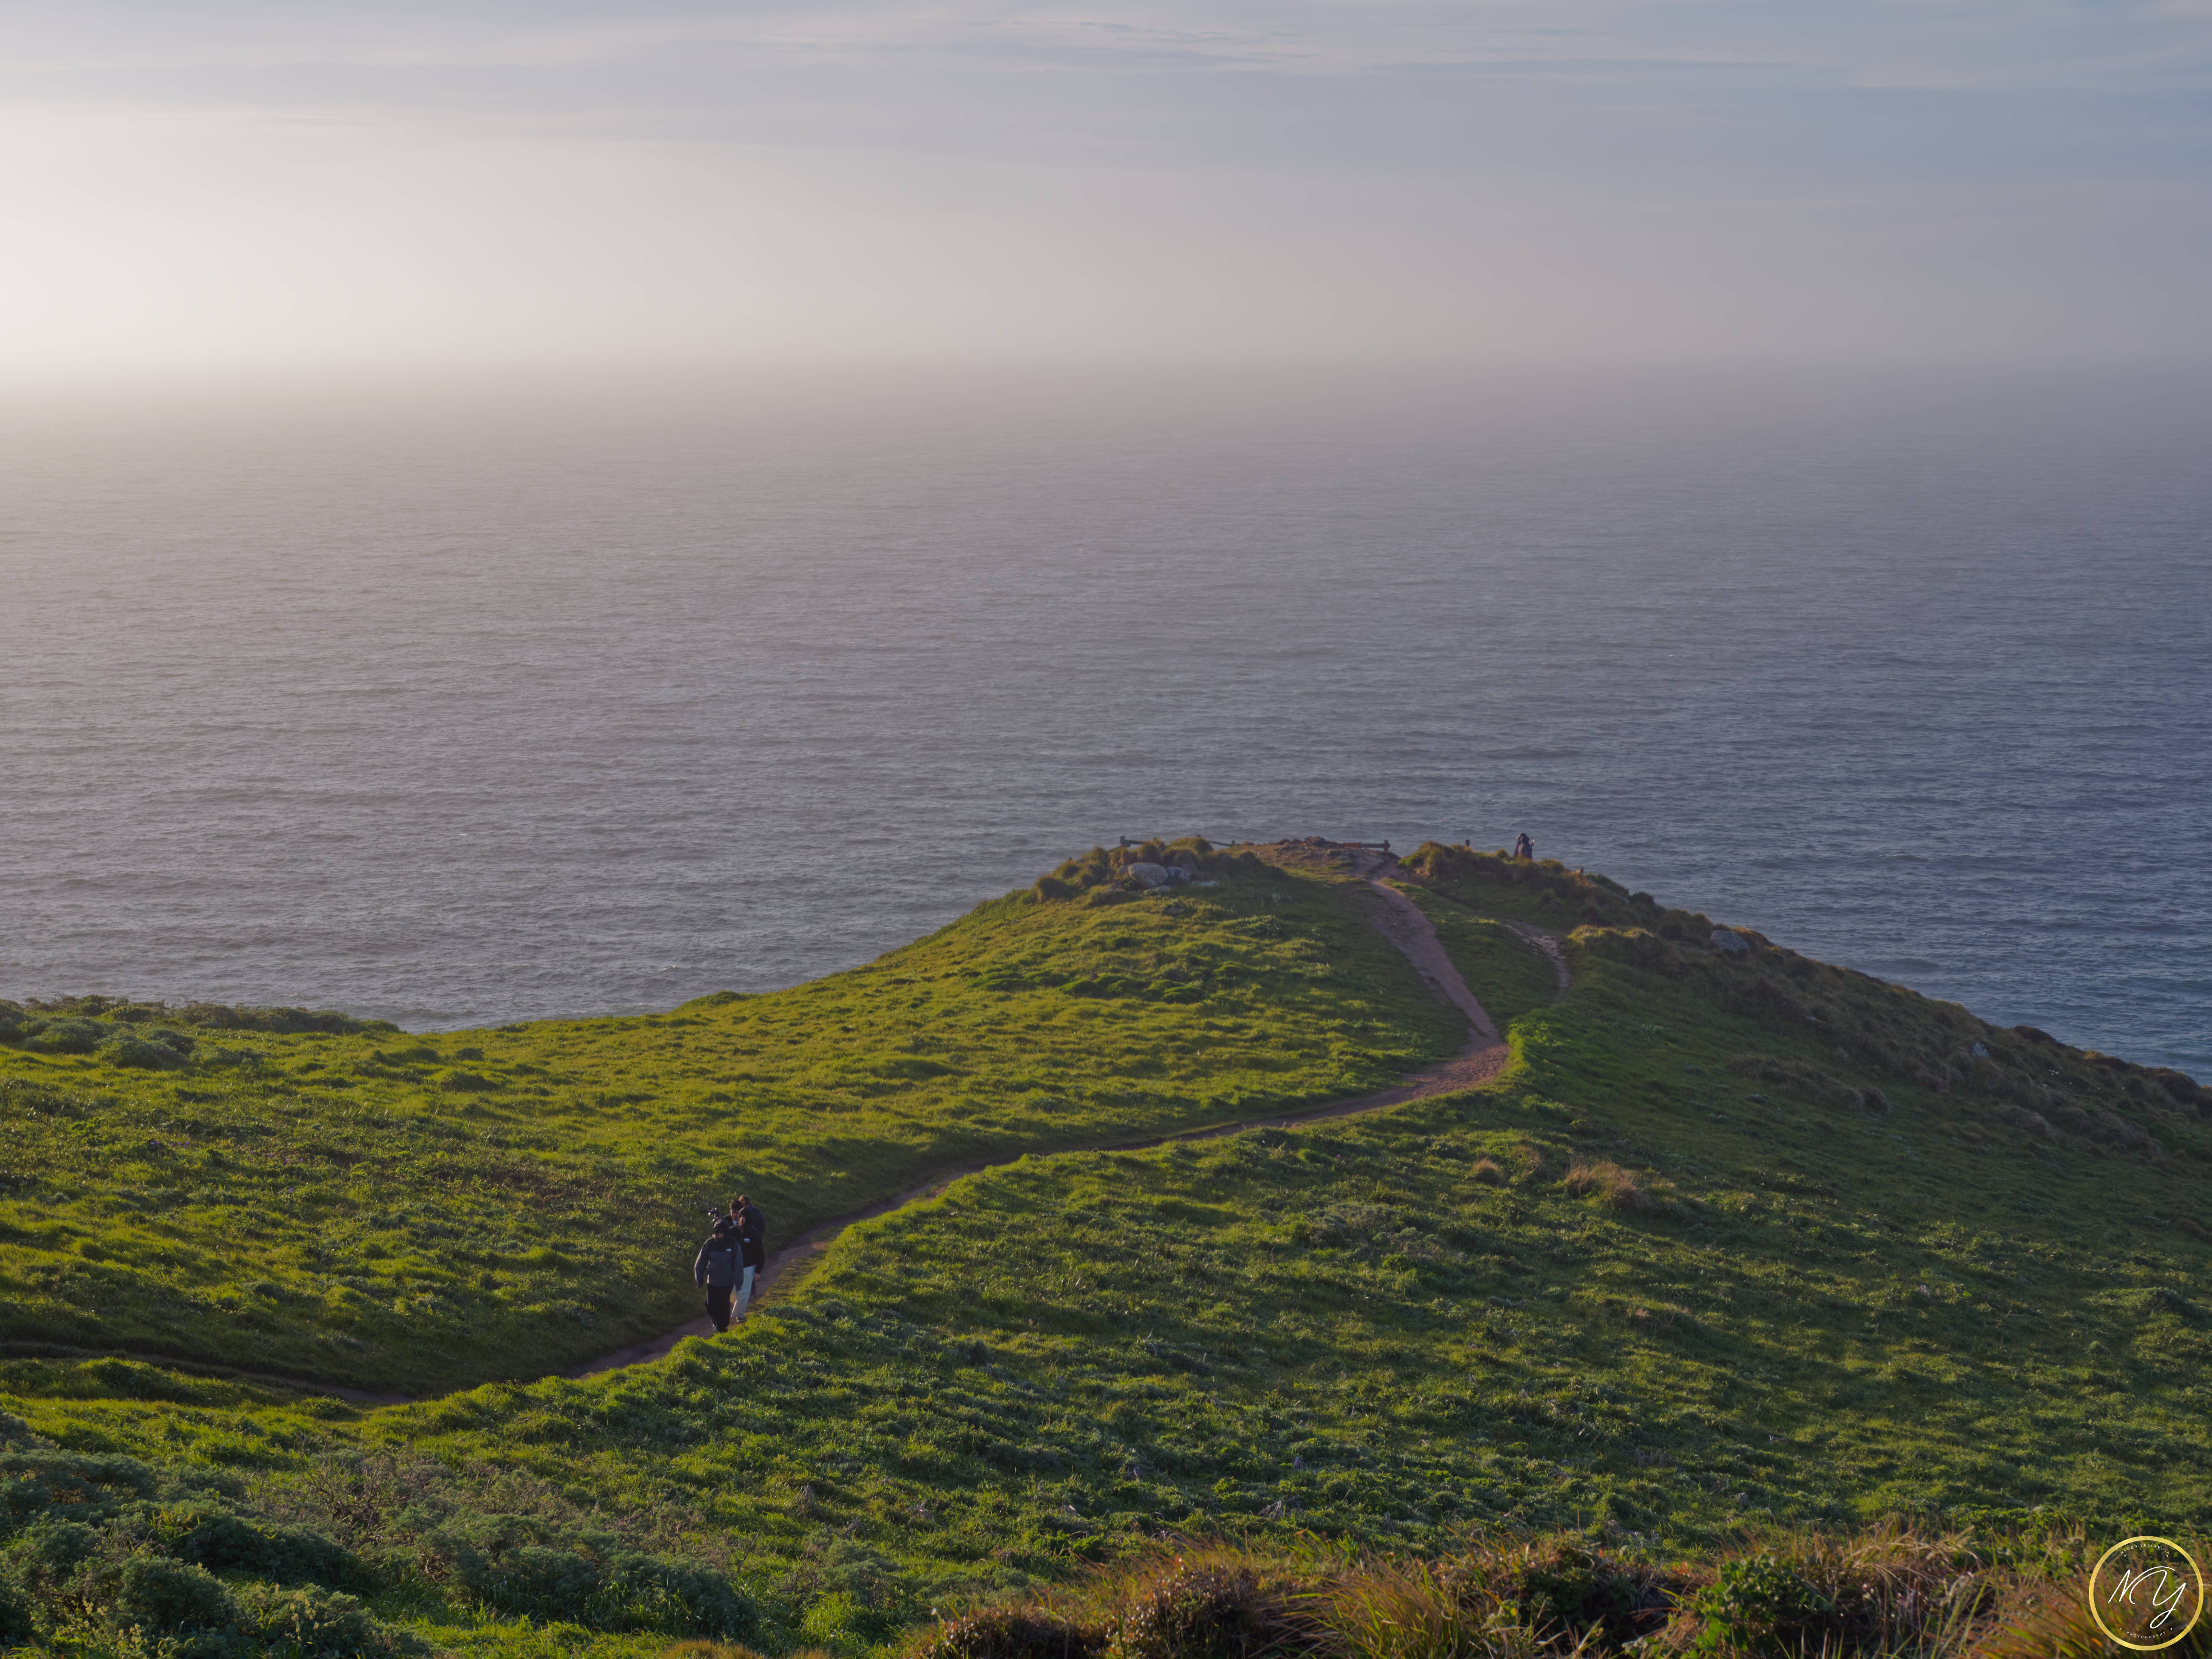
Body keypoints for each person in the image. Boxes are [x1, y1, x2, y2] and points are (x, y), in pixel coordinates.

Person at [693, 1208, 743, 1332]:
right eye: (716, 1232)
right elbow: (700, 1263)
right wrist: (699, 1279)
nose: (718, 1234)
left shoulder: (733, 1244)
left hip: (727, 1282)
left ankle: (721, 1327)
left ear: (725, 1232)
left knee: (724, 1305)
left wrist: (739, 1282)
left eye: (720, 1232)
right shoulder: (709, 1244)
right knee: (711, 1304)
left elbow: (738, 1264)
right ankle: (716, 1324)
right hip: (713, 1282)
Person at [733, 1195, 768, 1319]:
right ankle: (737, 1310)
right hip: (733, 1267)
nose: (742, 1219)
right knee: (733, 1292)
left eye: (745, 1217)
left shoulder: (754, 1233)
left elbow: (760, 1254)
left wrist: (758, 1271)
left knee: (744, 1293)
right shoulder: (733, 1231)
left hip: (749, 1267)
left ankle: (739, 1316)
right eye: (741, 1216)